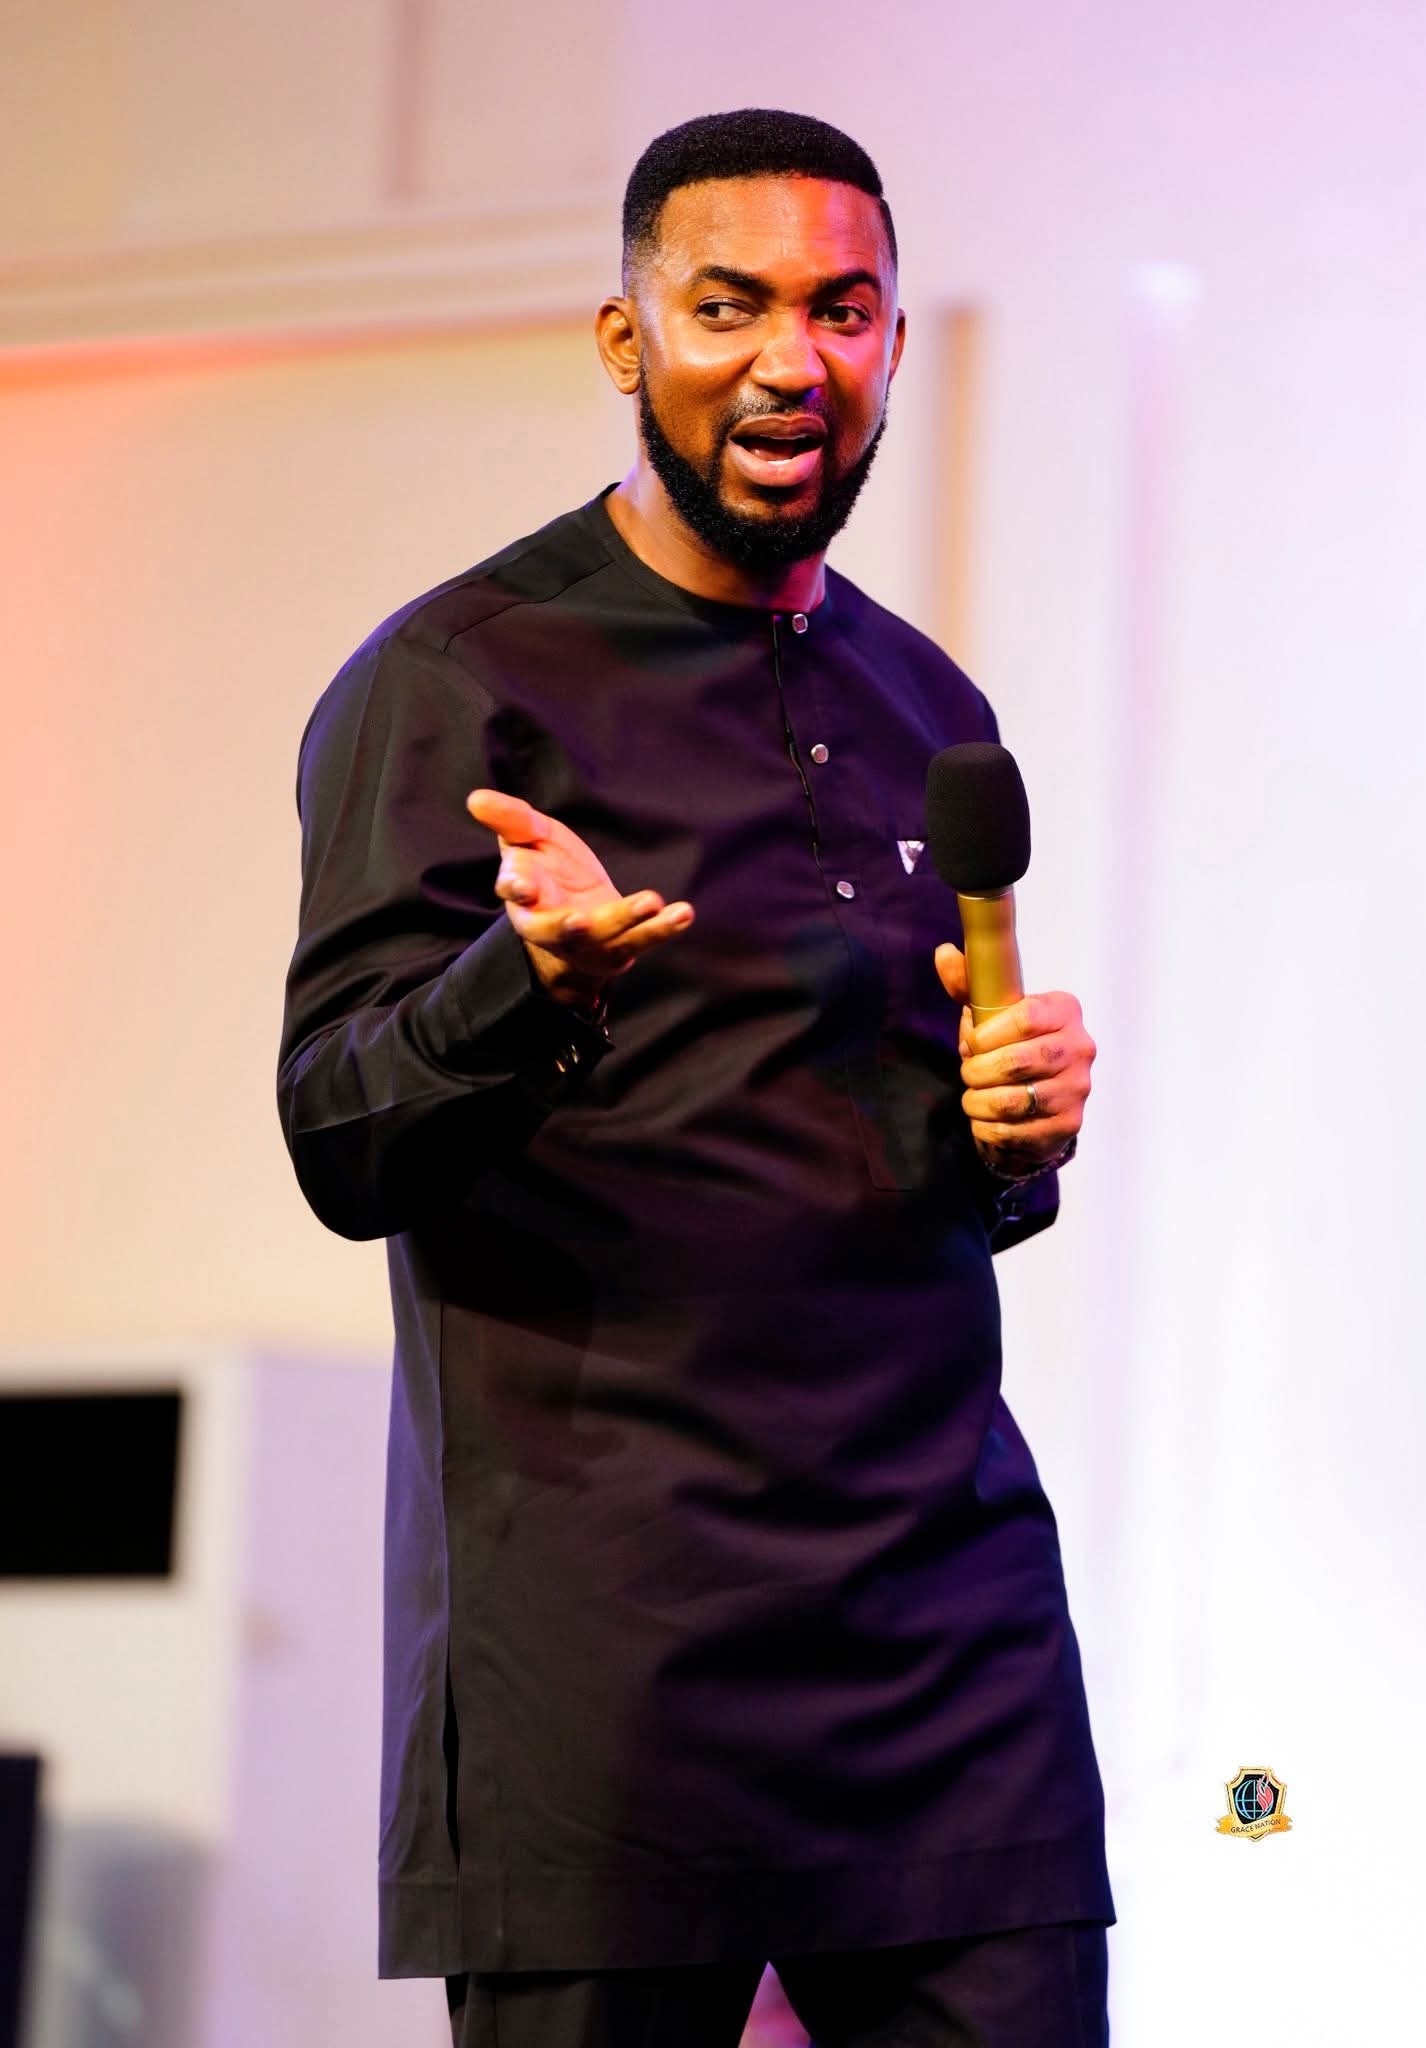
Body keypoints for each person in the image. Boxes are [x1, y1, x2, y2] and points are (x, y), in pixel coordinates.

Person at [278, 108, 1113, 2048]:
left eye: (841, 309)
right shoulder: (458, 679)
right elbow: (337, 1135)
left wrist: (1013, 1133)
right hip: (606, 1646)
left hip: (942, 1639)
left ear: (889, 341)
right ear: (623, 336)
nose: (789, 359)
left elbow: (918, 1170)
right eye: (726, 306)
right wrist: (520, 985)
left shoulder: (926, 705)